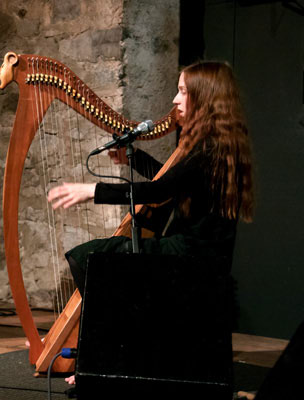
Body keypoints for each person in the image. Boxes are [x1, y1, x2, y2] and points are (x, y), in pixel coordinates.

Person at [47, 61, 254, 385]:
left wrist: (92, 190)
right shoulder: (217, 143)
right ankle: (113, 359)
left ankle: (109, 360)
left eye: (183, 91)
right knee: (110, 260)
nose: (174, 99)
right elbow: (174, 182)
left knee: (95, 258)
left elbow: (159, 190)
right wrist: (133, 158)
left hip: (191, 255)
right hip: (197, 250)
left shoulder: (208, 147)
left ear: (204, 97)